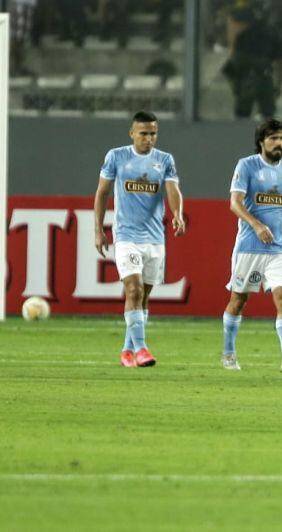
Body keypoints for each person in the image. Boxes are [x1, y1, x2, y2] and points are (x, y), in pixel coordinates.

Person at [93, 111, 186, 368]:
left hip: (155, 239)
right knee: (132, 290)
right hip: (126, 236)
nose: (149, 138)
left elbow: (173, 190)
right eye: (143, 133)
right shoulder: (117, 156)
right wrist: (98, 229)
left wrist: (177, 213)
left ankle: (127, 350)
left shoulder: (164, 160)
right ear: (132, 133)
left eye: (153, 133)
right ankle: (142, 349)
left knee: (142, 298)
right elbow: (102, 192)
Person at [221, 118, 282, 372]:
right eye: (273, 138)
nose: (279, 143)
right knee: (238, 299)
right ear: (261, 141)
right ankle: (228, 353)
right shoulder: (246, 166)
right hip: (250, 246)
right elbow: (234, 203)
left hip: (279, 248)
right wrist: (257, 225)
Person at [223, 3, 282, 119]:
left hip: (247, 81)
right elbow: (279, 65)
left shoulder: (243, 36)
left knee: (241, 119)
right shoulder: (273, 36)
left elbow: (233, 63)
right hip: (265, 80)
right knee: (268, 118)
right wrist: (278, 85)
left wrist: (236, 86)